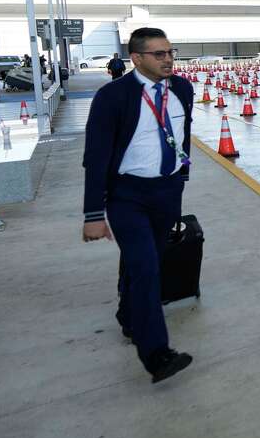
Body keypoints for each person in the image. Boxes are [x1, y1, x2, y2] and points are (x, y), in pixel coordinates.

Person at [82, 27, 194, 383]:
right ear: (137, 58)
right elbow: (96, 157)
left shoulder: (182, 89)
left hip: (167, 192)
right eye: (159, 54)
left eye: (170, 52)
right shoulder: (113, 97)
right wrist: (93, 214)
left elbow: (181, 134)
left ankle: (128, 316)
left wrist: (181, 176)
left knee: (146, 262)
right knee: (147, 269)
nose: (168, 59)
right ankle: (156, 354)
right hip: (128, 195)